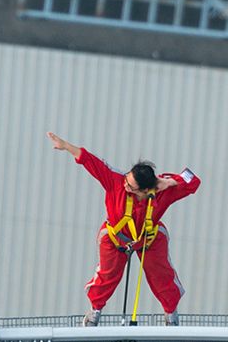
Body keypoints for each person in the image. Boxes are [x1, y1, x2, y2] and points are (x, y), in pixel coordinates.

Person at [47, 131, 201, 325]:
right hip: (115, 237)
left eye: (131, 187)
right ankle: (94, 312)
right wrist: (66, 146)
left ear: (146, 190)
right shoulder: (116, 181)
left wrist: (171, 181)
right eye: (127, 180)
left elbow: (193, 180)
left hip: (148, 238)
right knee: (107, 275)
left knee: (161, 275)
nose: (125, 186)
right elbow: (90, 161)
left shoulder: (163, 192)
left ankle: (171, 314)